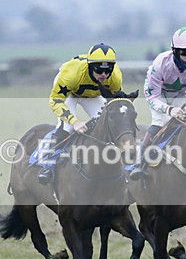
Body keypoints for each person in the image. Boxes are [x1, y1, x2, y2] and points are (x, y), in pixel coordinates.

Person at [128, 26, 186, 181]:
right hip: (159, 94)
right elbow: (153, 98)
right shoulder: (161, 63)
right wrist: (169, 109)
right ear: (175, 51)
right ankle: (139, 161)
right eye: (185, 53)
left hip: (181, 94)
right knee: (160, 121)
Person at [37, 43, 122, 185]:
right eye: (99, 70)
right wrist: (74, 121)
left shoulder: (115, 77)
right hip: (70, 93)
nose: (103, 75)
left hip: (92, 96)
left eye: (108, 70)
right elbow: (55, 101)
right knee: (68, 127)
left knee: (109, 123)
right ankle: (48, 164)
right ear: (90, 66)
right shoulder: (71, 75)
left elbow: (116, 104)